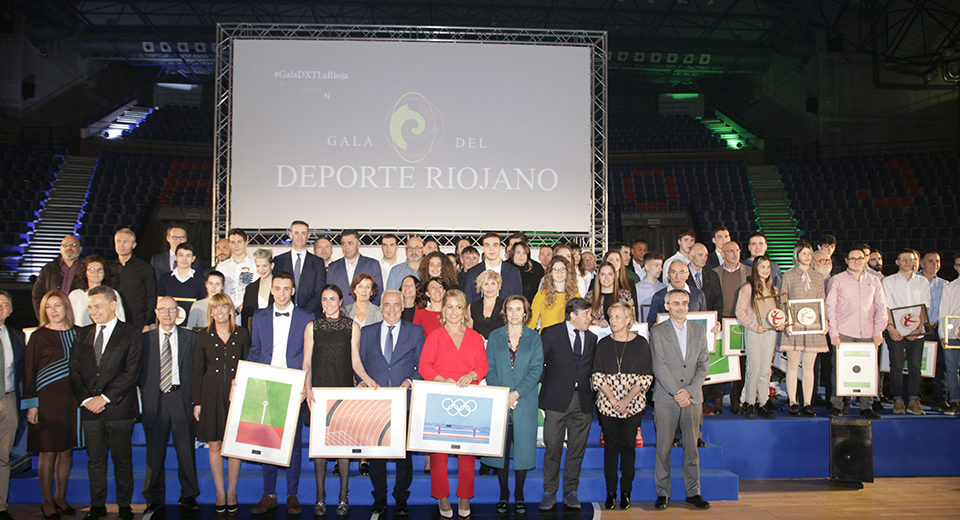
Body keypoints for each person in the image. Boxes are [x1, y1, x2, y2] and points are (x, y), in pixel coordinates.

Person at [68, 286, 141, 520]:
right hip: (90, 409)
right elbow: (75, 373)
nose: (93, 311)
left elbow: (131, 372)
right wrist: (89, 400)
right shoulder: (82, 334)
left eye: (98, 306)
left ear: (113, 305)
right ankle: (97, 505)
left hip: (119, 408)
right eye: (90, 307)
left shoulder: (130, 333)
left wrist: (105, 398)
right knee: (95, 461)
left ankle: (124, 506)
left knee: (122, 460)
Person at [247, 273, 314, 514]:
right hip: (266, 385)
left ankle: (292, 495)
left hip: (294, 385)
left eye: (287, 288)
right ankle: (269, 494)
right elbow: (255, 351)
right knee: (268, 442)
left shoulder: (307, 318)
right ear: (271, 290)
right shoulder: (260, 316)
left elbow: (310, 357)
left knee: (293, 443)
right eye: (278, 288)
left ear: (293, 290)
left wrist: (306, 386)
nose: (282, 293)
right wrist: (243, 380)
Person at [418, 290, 489, 519]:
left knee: (467, 453)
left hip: (469, 400)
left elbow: (483, 367)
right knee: (438, 455)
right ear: (443, 310)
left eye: (458, 307)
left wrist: (471, 374)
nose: (454, 312)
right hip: (440, 399)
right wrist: (442, 380)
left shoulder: (475, 337)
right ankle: (442, 497)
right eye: (449, 307)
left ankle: (465, 496)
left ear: (464, 310)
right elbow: (424, 366)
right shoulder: (435, 336)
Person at [303, 285, 370, 516]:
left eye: (333, 299)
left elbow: (355, 362)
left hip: (343, 392)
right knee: (319, 449)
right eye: (324, 299)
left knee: (343, 447)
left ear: (341, 301)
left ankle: (343, 496)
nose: (328, 303)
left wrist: (370, 382)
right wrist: (308, 388)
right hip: (319, 393)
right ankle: (320, 496)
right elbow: (307, 363)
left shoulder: (353, 327)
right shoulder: (312, 327)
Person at [357, 290, 425, 516]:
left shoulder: (415, 332)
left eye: (396, 305)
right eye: (387, 305)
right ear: (381, 307)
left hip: (404, 402)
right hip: (376, 404)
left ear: (403, 306)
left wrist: (408, 382)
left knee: (403, 456)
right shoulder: (366, 333)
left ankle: (401, 498)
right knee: (376, 456)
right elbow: (360, 365)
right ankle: (379, 498)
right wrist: (361, 382)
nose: (392, 309)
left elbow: (422, 368)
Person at [480, 295, 543, 515]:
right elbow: (490, 367)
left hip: (524, 400)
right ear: (504, 312)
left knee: (524, 449)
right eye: (510, 309)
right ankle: (504, 494)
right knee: (502, 450)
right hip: (500, 399)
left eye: (519, 309)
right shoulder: (495, 336)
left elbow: (536, 369)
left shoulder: (534, 338)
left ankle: (519, 494)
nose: (514, 313)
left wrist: (516, 394)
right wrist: (504, 394)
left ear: (525, 313)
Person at [650, 289, 710, 511]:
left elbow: (704, 365)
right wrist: (677, 391)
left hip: (693, 399)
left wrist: (690, 391)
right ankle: (663, 493)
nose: (681, 307)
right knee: (663, 449)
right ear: (667, 306)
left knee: (691, 449)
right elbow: (659, 365)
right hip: (666, 398)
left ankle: (693, 492)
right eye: (676, 303)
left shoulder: (699, 330)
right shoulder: (657, 332)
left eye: (684, 303)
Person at [140, 297, 199, 513]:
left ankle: (189, 495)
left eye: (171, 309)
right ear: (156, 312)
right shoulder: (145, 339)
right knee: (154, 452)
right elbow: (138, 372)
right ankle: (154, 497)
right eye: (163, 309)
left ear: (178, 313)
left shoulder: (190, 338)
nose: (167, 313)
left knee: (186, 451)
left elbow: (197, 371)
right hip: (155, 400)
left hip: (181, 398)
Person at [538, 298, 597, 511]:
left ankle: (571, 491)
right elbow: (539, 363)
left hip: (582, 401)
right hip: (556, 401)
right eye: (587, 314)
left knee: (577, 449)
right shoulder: (551, 333)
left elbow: (590, 369)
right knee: (552, 448)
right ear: (573, 315)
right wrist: (552, 384)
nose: (591, 319)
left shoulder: (592, 339)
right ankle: (549, 492)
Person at [592, 302, 652, 510]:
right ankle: (611, 492)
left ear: (628, 320)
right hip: (607, 403)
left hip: (633, 403)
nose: (613, 320)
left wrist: (626, 401)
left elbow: (646, 376)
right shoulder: (603, 344)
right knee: (611, 447)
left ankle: (626, 492)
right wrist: (614, 400)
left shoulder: (642, 343)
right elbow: (598, 375)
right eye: (610, 316)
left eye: (617, 316)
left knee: (628, 447)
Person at [21, 290, 75, 520]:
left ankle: (61, 498)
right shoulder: (38, 336)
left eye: (57, 305)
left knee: (66, 452)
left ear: (66, 307)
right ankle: (46, 501)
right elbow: (29, 372)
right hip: (45, 402)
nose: (53, 310)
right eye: (49, 307)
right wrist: (32, 405)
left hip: (72, 401)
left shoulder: (78, 333)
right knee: (48, 452)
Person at [193, 292, 249, 513]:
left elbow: (249, 363)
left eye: (223, 308)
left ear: (230, 310)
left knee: (234, 445)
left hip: (236, 394)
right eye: (215, 309)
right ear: (211, 312)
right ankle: (220, 492)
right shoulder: (204, 336)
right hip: (210, 394)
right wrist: (197, 401)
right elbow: (197, 371)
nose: (219, 312)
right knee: (215, 444)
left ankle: (232, 491)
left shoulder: (242, 334)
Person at [825, 248, 886, 419]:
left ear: (866, 259)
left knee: (868, 370)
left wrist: (878, 331)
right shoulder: (837, 280)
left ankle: (866, 406)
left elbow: (881, 308)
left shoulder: (874, 281)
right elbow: (831, 309)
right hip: (843, 332)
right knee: (839, 369)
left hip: (867, 333)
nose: (856, 261)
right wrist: (834, 333)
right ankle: (837, 405)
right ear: (846, 260)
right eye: (853, 258)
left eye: (860, 258)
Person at [779, 241, 829, 416]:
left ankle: (807, 402)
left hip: (814, 326)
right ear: (797, 256)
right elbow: (783, 301)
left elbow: (822, 301)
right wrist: (787, 322)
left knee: (809, 365)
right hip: (795, 326)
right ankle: (793, 401)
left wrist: (825, 322)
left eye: (809, 253)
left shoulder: (818, 276)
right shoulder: (788, 275)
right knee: (792, 364)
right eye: (803, 253)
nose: (807, 256)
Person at [882, 249, 931, 415]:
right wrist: (891, 327)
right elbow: (886, 307)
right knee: (896, 366)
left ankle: (914, 400)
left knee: (915, 367)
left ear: (915, 262)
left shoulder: (922, 282)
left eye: (911, 260)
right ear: (897, 262)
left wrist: (917, 329)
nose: (908, 262)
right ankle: (898, 400)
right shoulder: (888, 282)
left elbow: (925, 307)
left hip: (916, 331)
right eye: (904, 259)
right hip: (895, 331)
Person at [735, 256, 784, 419]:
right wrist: (754, 326)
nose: (765, 270)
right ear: (755, 269)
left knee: (765, 369)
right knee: (754, 368)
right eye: (762, 267)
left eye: (768, 267)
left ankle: (763, 402)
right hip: (755, 330)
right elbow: (740, 311)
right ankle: (750, 402)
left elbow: (778, 314)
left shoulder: (774, 291)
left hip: (769, 330)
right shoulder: (747, 289)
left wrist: (780, 323)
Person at [713, 241, 750, 414]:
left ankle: (736, 399)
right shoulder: (714, 274)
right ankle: (718, 398)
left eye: (736, 250)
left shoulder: (749, 273)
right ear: (722, 253)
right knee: (720, 362)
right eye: (730, 251)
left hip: (741, 323)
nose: (734, 254)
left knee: (740, 362)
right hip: (721, 321)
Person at [273, 220, 327, 315]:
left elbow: (319, 292)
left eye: (303, 233)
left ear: (308, 235)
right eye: (296, 233)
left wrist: (302, 313)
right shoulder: (279, 260)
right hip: (285, 313)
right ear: (290, 234)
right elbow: (276, 289)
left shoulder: (317, 262)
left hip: (310, 315)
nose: (299, 236)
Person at [109, 228, 156, 332]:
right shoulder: (109, 268)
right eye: (118, 241)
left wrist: (148, 321)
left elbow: (151, 296)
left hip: (138, 322)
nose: (121, 245)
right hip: (114, 321)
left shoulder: (144, 268)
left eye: (125, 242)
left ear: (133, 245)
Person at [919, 251, 948, 411]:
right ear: (922, 263)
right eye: (930, 261)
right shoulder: (914, 281)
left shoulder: (945, 284)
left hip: (937, 329)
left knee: (940, 367)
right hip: (918, 329)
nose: (935, 264)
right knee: (914, 366)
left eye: (937, 261)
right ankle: (914, 399)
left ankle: (940, 400)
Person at [461, 233, 523, 305]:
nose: (491, 249)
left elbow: (518, 300)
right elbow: (469, 300)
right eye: (487, 245)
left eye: (495, 245)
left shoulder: (513, 272)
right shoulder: (473, 272)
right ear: (483, 248)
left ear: (500, 248)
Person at [327, 230, 384, 306]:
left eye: (350, 243)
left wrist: (365, 311)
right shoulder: (333, 267)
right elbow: (329, 293)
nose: (346, 247)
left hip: (365, 314)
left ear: (358, 244)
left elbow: (378, 293)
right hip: (340, 314)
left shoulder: (372, 265)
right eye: (343, 244)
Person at [32, 235, 83, 319]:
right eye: (66, 245)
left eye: (73, 245)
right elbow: (37, 294)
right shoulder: (48, 269)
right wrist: (42, 317)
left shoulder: (86, 269)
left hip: (77, 319)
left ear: (80, 249)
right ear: (60, 248)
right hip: (52, 318)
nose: (69, 248)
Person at [69, 254, 126, 327]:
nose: (96, 273)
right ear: (85, 272)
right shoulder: (75, 295)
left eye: (99, 269)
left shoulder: (113, 293)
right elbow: (69, 320)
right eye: (91, 269)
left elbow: (121, 319)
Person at [647, 260, 707, 327]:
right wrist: (658, 327)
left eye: (681, 272)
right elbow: (651, 322)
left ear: (687, 275)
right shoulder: (659, 296)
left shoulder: (698, 294)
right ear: (668, 275)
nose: (677, 277)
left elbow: (705, 319)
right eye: (673, 272)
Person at [529, 257, 581, 331]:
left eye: (562, 269)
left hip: (567, 338)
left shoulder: (575, 295)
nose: (559, 272)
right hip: (547, 338)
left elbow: (581, 319)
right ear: (550, 273)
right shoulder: (542, 294)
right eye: (555, 269)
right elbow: (532, 321)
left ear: (567, 272)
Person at [157, 243, 205, 317]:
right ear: (175, 257)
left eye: (188, 256)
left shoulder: (201, 280)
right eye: (181, 255)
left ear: (193, 259)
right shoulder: (165, 279)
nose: (184, 259)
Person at [938, 253, 960, 415]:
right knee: (952, 370)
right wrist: (943, 335)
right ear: (955, 267)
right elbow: (943, 313)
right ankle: (954, 401)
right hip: (952, 334)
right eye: (958, 264)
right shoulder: (950, 287)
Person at [586, 262, 635, 331]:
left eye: (610, 274)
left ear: (614, 276)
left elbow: (632, 317)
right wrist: (596, 321)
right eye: (603, 274)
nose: (606, 278)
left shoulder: (624, 295)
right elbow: (583, 317)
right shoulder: (590, 296)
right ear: (598, 277)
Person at [216, 228, 257, 312]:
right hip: (226, 311)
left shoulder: (255, 266)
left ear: (246, 243)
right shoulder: (221, 267)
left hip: (249, 310)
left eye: (239, 242)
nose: (236, 245)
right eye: (232, 242)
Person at [240, 249, 275, 328]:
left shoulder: (280, 286)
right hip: (256, 332)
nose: (261, 270)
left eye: (264, 266)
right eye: (258, 266)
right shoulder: (250, 289)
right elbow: (246, 316)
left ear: (272, 265)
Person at [466, 270, 504, 339]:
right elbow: (468, 332)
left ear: (499, 285)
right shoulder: (472, 307)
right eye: (486, 284)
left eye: (493, 283)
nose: (489, 287)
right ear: (481, 287)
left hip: (500, 346)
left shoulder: (506, 306)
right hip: (478, 347)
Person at [634, 252, 666, 322]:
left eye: (661, 265)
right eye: (656, 265)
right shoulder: (636, 289)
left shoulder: (664, 288)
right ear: (647, 267)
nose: (660, 269)